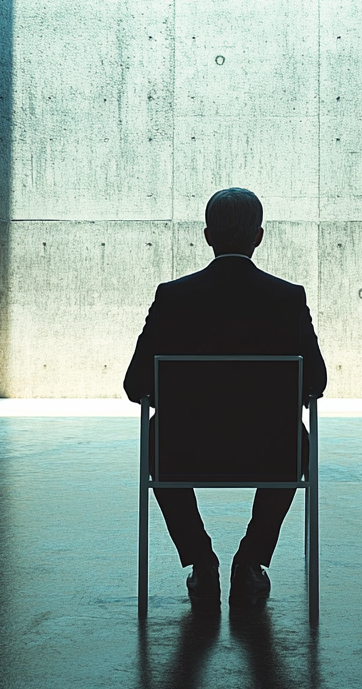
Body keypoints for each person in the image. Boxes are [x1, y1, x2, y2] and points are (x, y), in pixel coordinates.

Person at [124, 187, 328, 608]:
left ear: (206, 236)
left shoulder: (173, 296)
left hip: (183, 452)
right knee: (298, 440)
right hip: (271, 453)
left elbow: (134, 385)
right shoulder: (288, 298)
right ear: (259, 236)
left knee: (155, 437)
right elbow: (317, 382)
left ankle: (201, 561)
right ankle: (251, 560)